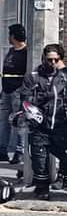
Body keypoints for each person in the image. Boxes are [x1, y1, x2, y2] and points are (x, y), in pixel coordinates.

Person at [18, 44, 67, 200]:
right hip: (39, 126)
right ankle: (42, 188)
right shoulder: (32, 76)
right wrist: (40, 101)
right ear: (43, 58)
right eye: (49, 59)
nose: (52, 63)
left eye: (55, 60)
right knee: (39, 159)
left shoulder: (64, 76)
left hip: (60, 125)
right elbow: (25, 100)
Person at [0, 23, 28, 165]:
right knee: (3, 121)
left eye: (10, 34)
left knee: (19, 122)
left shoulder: (26, 52)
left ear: (13, 36)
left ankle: (20, 151)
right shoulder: (11, 51)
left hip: (17, 91)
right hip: (6, 90)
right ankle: (2, 150)